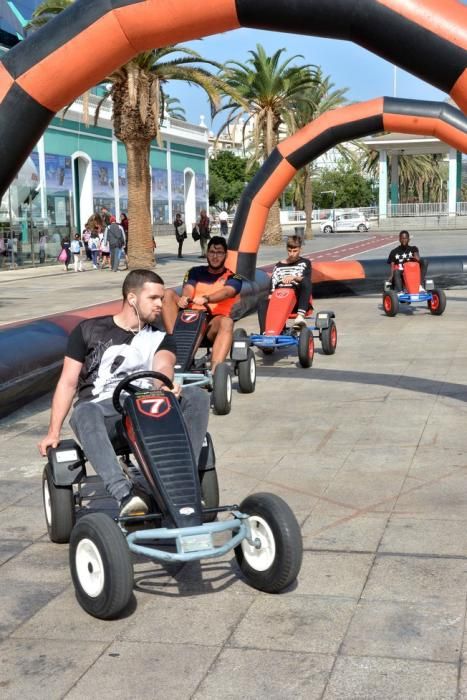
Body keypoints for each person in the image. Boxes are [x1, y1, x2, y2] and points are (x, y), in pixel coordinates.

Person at [38, 269, 210, 517]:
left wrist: (164, 385)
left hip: (145, 409)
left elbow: (163, 366)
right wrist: (53, 433)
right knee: (84, 410)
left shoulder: (160, 337)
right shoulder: (88, 330)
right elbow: (67, 382)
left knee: (197, 397)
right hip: (104, 415)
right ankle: (125, 495)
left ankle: (185, 483)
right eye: (153, 298)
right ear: (132, 298)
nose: (161, 304)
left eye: (162, 298)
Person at [162, 236, 242, 374]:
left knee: (227, 322)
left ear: (225, 255)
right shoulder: (195, 271)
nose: (215, 256)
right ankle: (174, 346)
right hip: (190, 320)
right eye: (212, 252)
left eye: (219, 253)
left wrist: (207, 298)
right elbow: (188, 287)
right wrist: (185, 298)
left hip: (213, 323)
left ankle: (216, 373)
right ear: (207, 253)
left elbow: (227, 292)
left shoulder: (234, 278)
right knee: (168, 294)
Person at [257, 235, 312, 332]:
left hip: (297, 300)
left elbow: (305, 279)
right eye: (290, 251)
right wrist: (271, 295)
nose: (292, 254)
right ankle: (265, 332)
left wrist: (293, 277)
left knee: (306, 281)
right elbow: (273, 283)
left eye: (295, 251)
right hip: (280, 298)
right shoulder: (278, 265)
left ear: (300, 250)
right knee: (262, 301)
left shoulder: (305, 263)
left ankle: (300, 316)